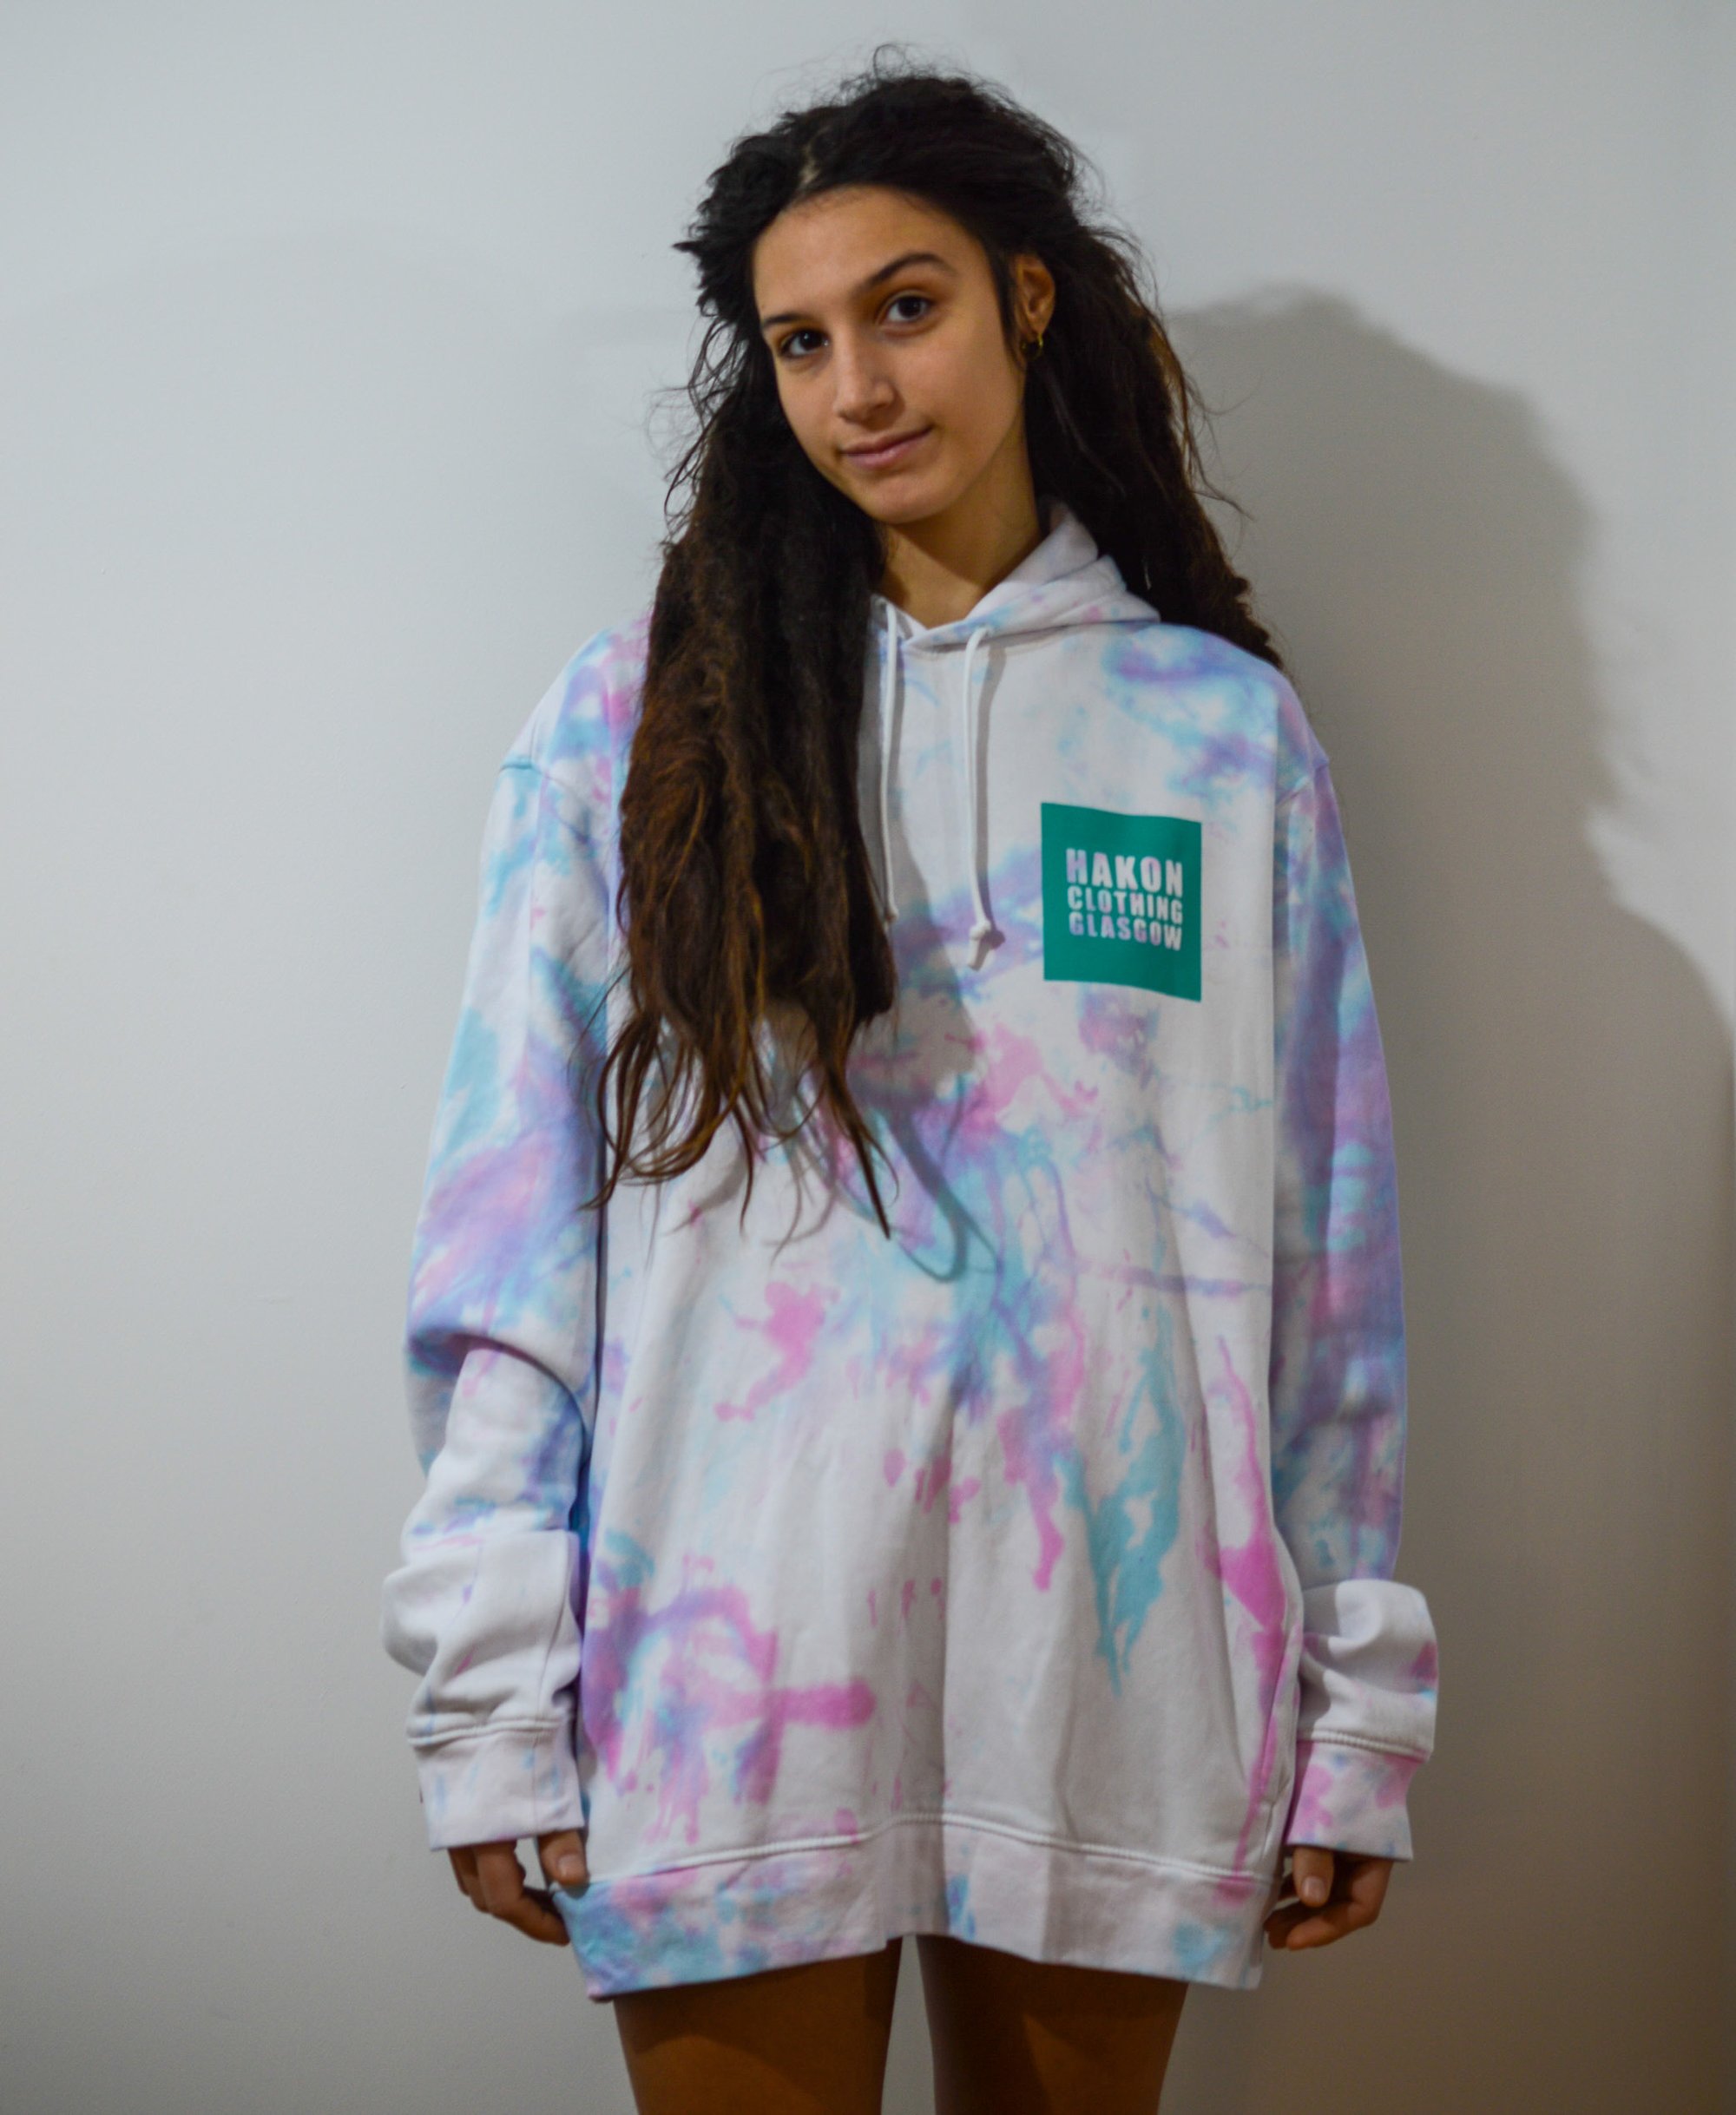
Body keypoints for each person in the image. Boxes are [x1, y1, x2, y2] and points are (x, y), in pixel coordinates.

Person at [380, 49, 1439, 2115]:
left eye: (905, 306)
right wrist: (489, 1691)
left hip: (1117, 1675)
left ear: (1027, 297)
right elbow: (510, 1237)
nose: (856, 385)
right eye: (799, 340)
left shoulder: (1215, 740)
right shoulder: (642, 725)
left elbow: (1324, 1262)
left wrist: (1351, 1702)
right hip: (726, 1665)